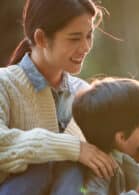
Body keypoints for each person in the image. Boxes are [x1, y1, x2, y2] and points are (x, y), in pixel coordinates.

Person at [0, 0, 117, 194]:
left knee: (72, 171)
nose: (86, 46)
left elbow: (121, 142)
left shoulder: (85, 94)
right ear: (41, 39)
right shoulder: (4, 83)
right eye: (74, 38)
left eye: (89, 36)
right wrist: (74, 148)